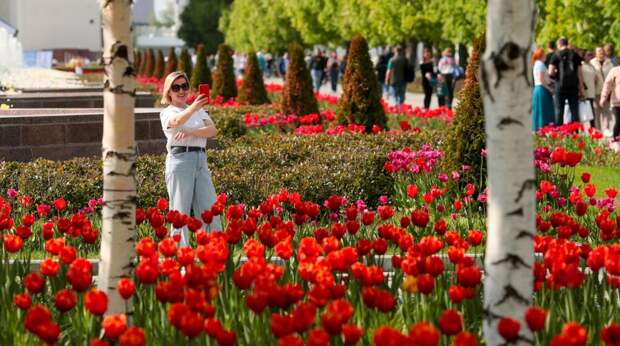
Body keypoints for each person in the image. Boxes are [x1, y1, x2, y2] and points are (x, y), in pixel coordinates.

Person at [159, 71, 222, 247]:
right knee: (180, 213)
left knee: (209, 209)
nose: (181, 91)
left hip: (200, 159)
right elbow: (176, 121)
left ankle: (213, 254)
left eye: (184, 86)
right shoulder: (167, 112)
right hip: (180, 160)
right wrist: (193, 108)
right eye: (176, 87)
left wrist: (191, 131)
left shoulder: (199, 110)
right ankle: (180, 260)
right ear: (168, 92)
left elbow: (212, 131)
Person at [548, 37, 584, 124]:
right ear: (567, 43)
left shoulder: (555, 55)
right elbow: (580, 73)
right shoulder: (575, 55)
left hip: (559, 87)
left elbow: (550, 72)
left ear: (559, 44)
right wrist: (582, 89)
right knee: (574, 111)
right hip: (573, 86)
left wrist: (556, 73)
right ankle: (575, 133)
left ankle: (559, 133)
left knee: (559, 110)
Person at [591, 46, 615, 133]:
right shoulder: (592, 63)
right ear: (596, 53)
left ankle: (606, 128)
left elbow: (613, 77)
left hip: (607, 91)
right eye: (599, 51)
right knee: (597, 111)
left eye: (602, 51)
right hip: (597, 90)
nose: (601, 53)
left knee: (607, 110)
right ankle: (598, 129)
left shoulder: (609, 63)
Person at [531, 48, 555, 130]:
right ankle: (543, 128)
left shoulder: (536, 64)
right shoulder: (540, 64)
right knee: (544, 110)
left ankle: (539, 128)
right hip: (542, 89)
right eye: (544, 54)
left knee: (539, 110)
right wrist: (550, 89)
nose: (545, 56)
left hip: (538, 89)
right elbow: (542, 79)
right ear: (541, 55)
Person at [600, 65, 620, 146]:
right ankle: (615, 142)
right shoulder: (615, 70)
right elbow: (607, 85)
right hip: (617, 103)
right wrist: (603, 97)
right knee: (619, 122)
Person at [580, 50, 596, 128]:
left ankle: (592, 127)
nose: (589, 56)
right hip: (585, 91)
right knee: (585, 111)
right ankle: (583, 128)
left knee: (591, 110)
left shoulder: (591, 65)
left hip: (592, 91)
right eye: (588, 55)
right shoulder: (581, 66)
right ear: (583, 56)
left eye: (590, 55)